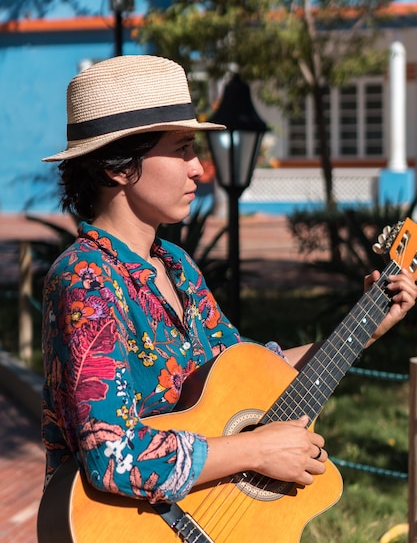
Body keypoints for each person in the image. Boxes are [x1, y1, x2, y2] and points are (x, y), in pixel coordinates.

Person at [41, 55, 417, 508]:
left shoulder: (176, 265)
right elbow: (113, 457)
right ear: (119, 168)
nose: (198, 168)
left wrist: (365, 329)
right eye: (182, 149)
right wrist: (259, 450)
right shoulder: (84, 281)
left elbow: (247, 375)